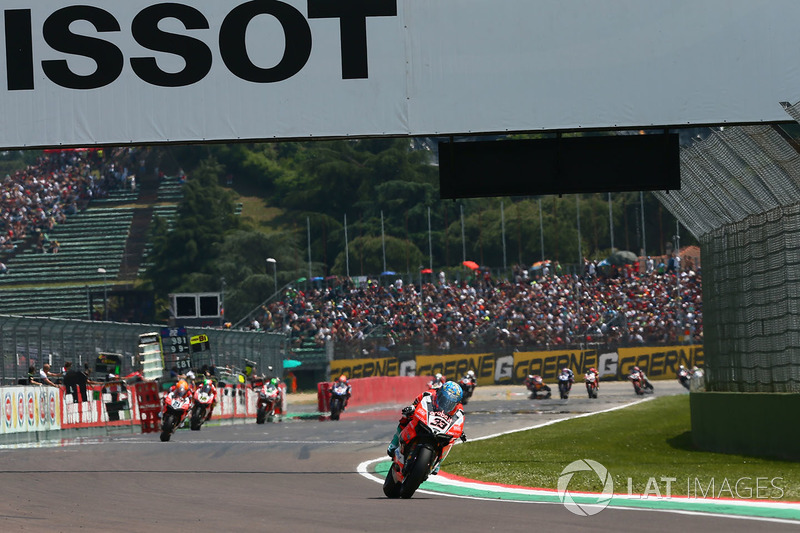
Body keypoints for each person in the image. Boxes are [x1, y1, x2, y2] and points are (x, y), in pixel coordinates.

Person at [386, 381, 465, 474]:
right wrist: (411, 408)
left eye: (451, 403)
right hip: (426, 418)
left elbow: (459, 420)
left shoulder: (459, 409)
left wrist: (459, 431)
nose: (447, 404)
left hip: (440, 428)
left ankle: (438, 462)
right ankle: (395, 443)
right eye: (444, 399)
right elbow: (415, 403)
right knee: (406, 417)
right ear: (439, 393)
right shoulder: (429, 394)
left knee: (451, 441)